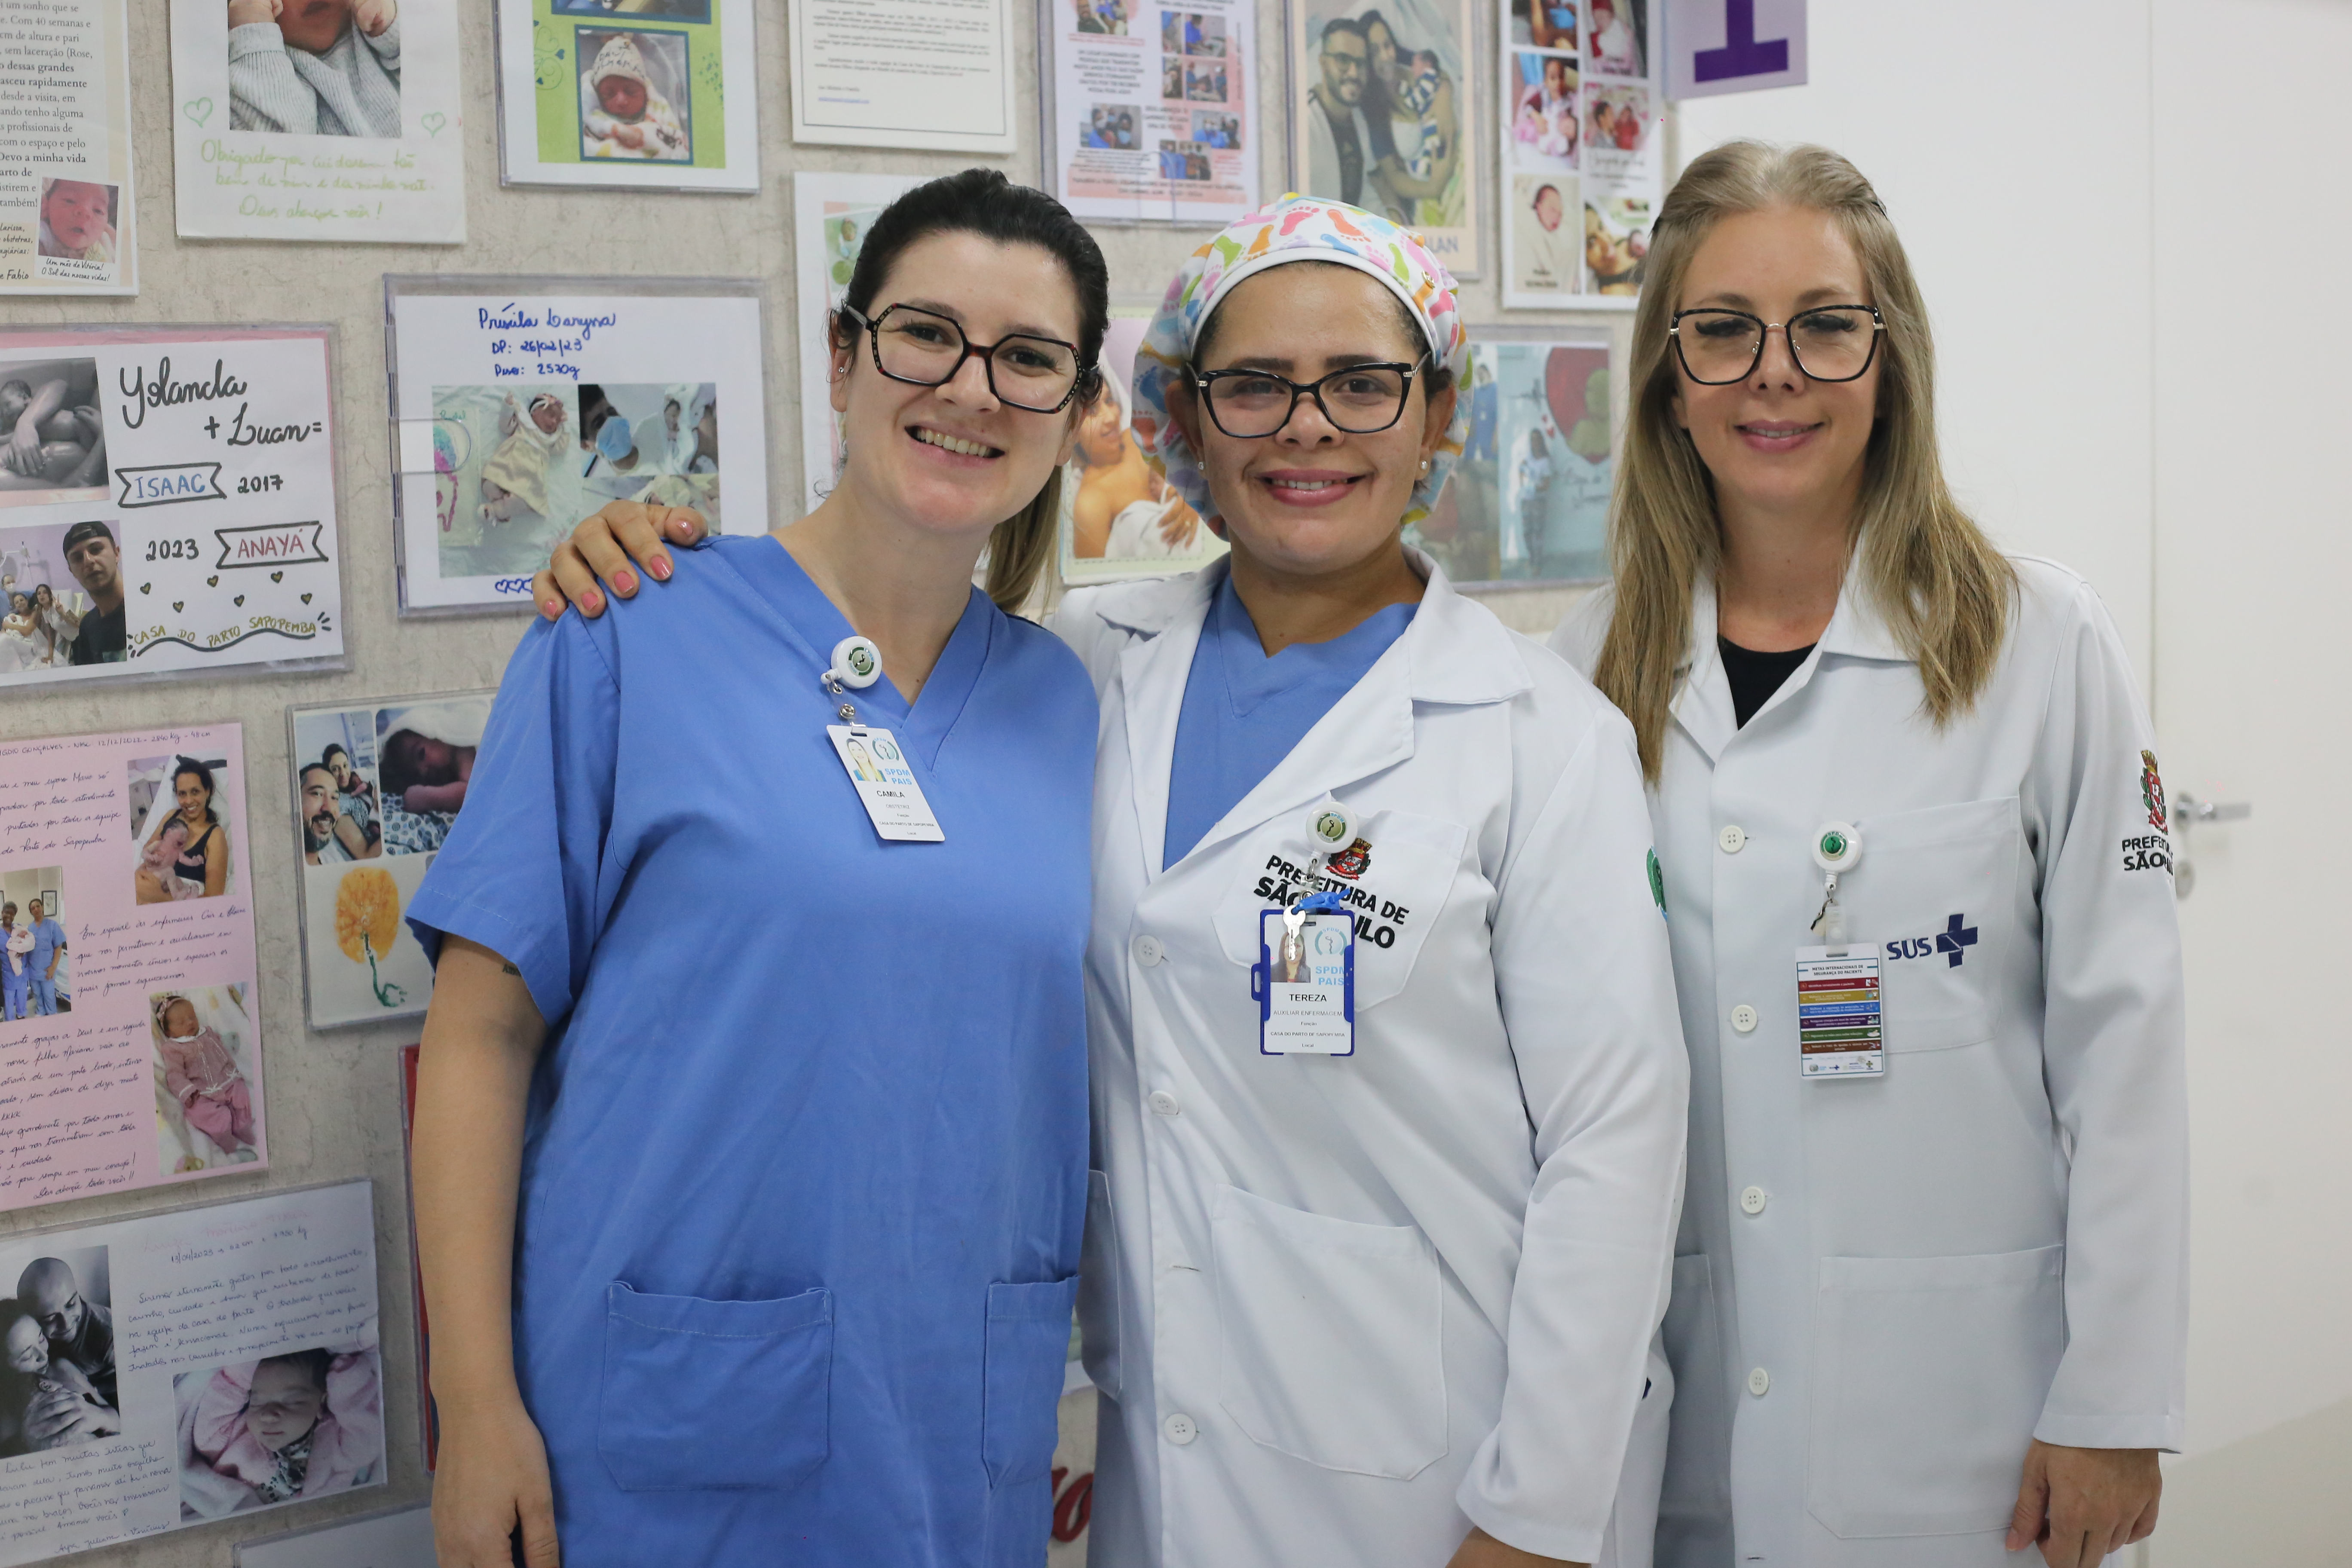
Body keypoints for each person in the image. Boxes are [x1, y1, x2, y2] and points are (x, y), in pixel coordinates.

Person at [539, 194, 1689, 1568]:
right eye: (1253, 385)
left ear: (1438, 416)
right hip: (1168, 1446)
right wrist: (636, 551)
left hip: (1454, 1464)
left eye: (1364, 386)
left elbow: (1617, 1146)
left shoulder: (1537, 735)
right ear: (1180, 421)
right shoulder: (1080, 665)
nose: (1306, 425)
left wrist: (1540, 1513)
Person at [407, 168, 1106, 1568]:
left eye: (1028, 358)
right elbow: (478, 1037)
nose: (972, 387)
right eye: (925, 335)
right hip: (657, 1424)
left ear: (1079, 413)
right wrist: (472, 1400)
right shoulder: (625, 626)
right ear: (844, 357)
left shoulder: (1072, 701)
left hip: (956, 1421)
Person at [1550, 141, 2185, 1568]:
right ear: (1666, 369)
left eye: (1826, 324)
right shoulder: (1587, 667)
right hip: (1681, 1406)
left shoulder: (2038, 644)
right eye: (1721, 329)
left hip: (1981, 1415)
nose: (1774, 372)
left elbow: (2122, 1043)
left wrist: (2117, 1398)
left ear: (1888, 360)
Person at [191, 1347, 382, 1504]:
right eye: (257, 1403)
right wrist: (243, 1370)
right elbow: (207, 1432)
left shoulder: (335, 1445)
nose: (268, 1416)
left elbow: (367, 1437)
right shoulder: (235, 1438)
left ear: (321, 1403)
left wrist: (346, 1378)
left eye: (291, 1402)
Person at [1068, 369, 1199, 560]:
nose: (1111, 418)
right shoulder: (1091, 504)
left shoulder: (1139, 439)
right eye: (1092, 412)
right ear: (1071, 429)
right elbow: (1094, 581)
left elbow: (1196, 469)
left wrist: (1194, 502)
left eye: (1110, 401)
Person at [227, 0, 401, 138]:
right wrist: (254, 34)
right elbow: (270, 155)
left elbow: (424, 74)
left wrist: (392, 25)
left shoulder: (378, 31)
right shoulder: (250, 68)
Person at [0, 1302, 116, 1457]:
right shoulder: (6, 1418)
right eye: (27, 1356)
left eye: (41, 1339)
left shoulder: (62, 1368)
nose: (43, 1355)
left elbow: (116, 1419)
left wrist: (102, 1417)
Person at [155, 994, 261, 1158]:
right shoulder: (173, 1048)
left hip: (227, 1079)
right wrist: (187, 1091)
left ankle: (243, 1126)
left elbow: (220, 1045)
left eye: (192, 1017)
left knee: (241, 1095)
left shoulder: (207, 1032)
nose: (190, 1023)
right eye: (182, 1022)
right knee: (202, 1113)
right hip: (201, 1092)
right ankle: (227, 1140)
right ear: (169, 1031)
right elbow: (175, 1074)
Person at [19, 1257, 113, 1410]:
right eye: (50, 1319)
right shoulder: (29, 1334)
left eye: (71, 1305)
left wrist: (91, 1390)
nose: (66, 1323)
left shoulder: (108, 1333)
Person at [1305, 18, 1381, 208]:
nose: (1354, 73)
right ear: (1323, 63)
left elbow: (1365, 192)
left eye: (1361, 63)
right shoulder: (1304, 123)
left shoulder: (1359, 121)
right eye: (1343, 60)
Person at [580, 32, 687, 160]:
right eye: (609, 94)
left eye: (630, 92)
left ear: (646, 93)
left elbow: (676, 147)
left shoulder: (658, 118)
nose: (621, 101)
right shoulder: (594, 127)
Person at [137, 759, 230, 903]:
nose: (188, 801)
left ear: (208, 791)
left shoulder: (215, 836)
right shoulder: (171, 816)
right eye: (182, 794)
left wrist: (159, 897)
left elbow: (214, 897)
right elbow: (148, 849)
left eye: (195, 792)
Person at [478, 392, 571, 524]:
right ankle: (501, 506)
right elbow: (505, 426)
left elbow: (561, 448)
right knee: (489, 484)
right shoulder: (523, 424)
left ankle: (494, 510)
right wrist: (508, 407)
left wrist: (564, 427)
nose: (554, 421)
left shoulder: (549, 440)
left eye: (558, 420)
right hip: (507, 465)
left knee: (521, 501)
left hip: (528, 478)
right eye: (551, 415)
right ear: (534, 412)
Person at [61, 521, 124, 665]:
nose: (88, 561)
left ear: (116, 553)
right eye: (78, 558)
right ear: (72, 571)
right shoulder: (87, 628)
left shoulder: (150, 609)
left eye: (96, 550)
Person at [377, 727, 474, 815]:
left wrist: (427, 798)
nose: (423, 771)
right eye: (416, 775)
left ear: (436, 736)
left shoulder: (464, 750)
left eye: (421, 754)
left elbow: (472, 792)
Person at [1516, 181, 1576, 294]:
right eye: (1552, 210)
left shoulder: (1560, 239)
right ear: (1538, 206)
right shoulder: (1529, 227)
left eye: (1560, 213)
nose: (1556, 217)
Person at [36, 180, 114, 263]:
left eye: (98, 211)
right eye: (70, 201)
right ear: (46, 206)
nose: (85, 212)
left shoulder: (103, 249)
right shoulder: (43, 232)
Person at [24, 898, 64, 1017]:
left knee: (49, 995)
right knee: (37, 993)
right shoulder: (29, 929)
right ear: (31, 912)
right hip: (33, 970)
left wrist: (53, 967)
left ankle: (52, 1014)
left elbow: (58, 947)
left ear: (42, 907)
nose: (36, 909)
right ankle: (41, 1011)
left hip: (48, 969)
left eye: (38, 906)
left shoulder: (52, 925)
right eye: (33, 908)